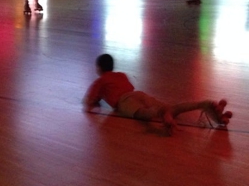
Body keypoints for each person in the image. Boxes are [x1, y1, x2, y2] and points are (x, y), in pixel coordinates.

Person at [83, 54, 232, 135]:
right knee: (172, 108)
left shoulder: (101, 80)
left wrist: (94, 101)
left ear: (99, 68)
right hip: (138, 94)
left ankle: (162, 114)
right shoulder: (121, 75)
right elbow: (129, 87)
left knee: (143, 114)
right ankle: (206, 106)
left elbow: (88, 100)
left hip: (124, 100)